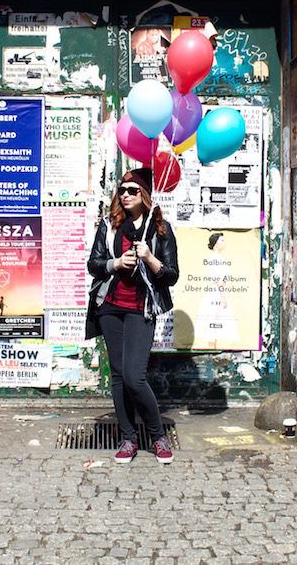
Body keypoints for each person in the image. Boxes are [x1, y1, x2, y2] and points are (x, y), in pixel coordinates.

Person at [87, 168, 179, 464]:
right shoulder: (109, 226)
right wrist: (115, 263)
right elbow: (94, 264)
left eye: (132, 190)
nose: (124, 195)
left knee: (134, 376)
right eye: (122, 190)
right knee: (117, 376)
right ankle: (128, 438)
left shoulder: (160, 230)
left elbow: (171, 275)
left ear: (145, 196)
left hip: (141, 308)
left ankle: (157, 435)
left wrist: (149, 258)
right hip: (110, 307)